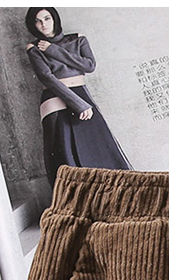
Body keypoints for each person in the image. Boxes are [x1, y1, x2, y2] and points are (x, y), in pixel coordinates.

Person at [24, 7, 132, 186]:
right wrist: (78, 104)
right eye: (38, 21)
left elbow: (89, 66)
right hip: (55, 98)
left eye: (47, 18)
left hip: (81, 94)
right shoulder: (34, 47)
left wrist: (53, 50)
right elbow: (47, 78)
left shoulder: (77, 39)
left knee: (98, 148)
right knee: (66, 154)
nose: (43, 24)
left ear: (55, 19)